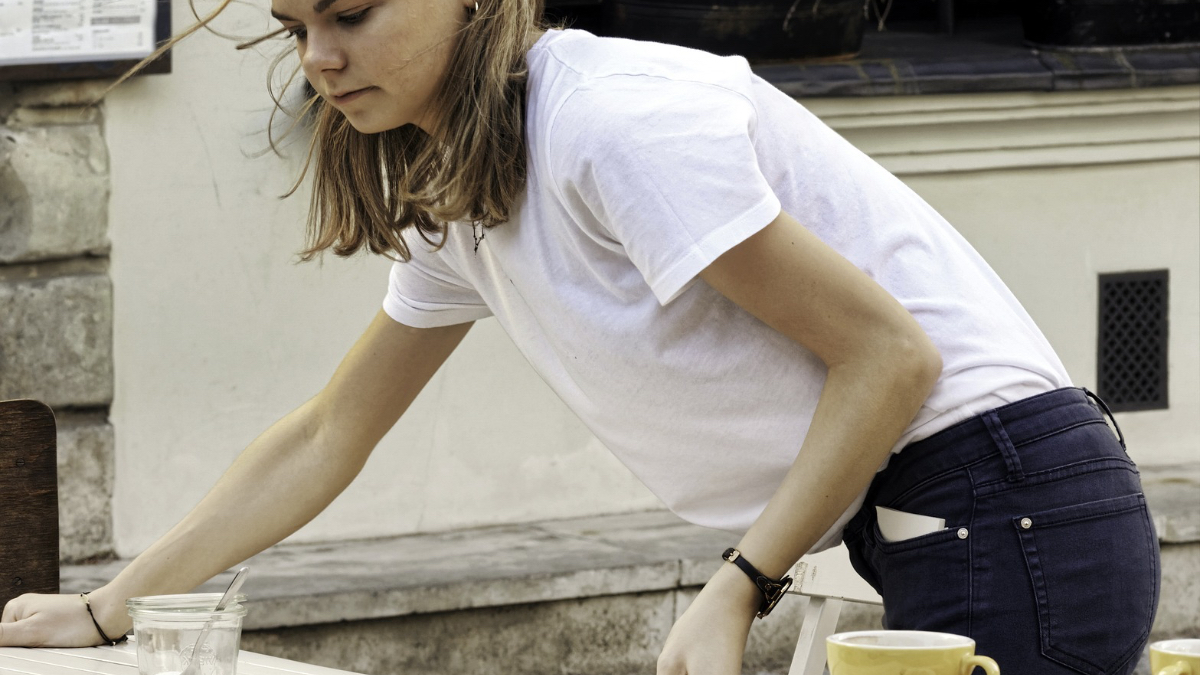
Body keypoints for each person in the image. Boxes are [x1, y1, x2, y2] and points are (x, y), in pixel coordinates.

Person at [0, 0, 1160, 671]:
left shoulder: (612, 124)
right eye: (296, 25)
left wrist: (737, 588)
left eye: (351, 12)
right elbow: (326, 436)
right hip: (935, 518)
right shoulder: (466, 186)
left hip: (1007, 502)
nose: (319, 58)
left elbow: (892, 357)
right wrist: (111, 608)